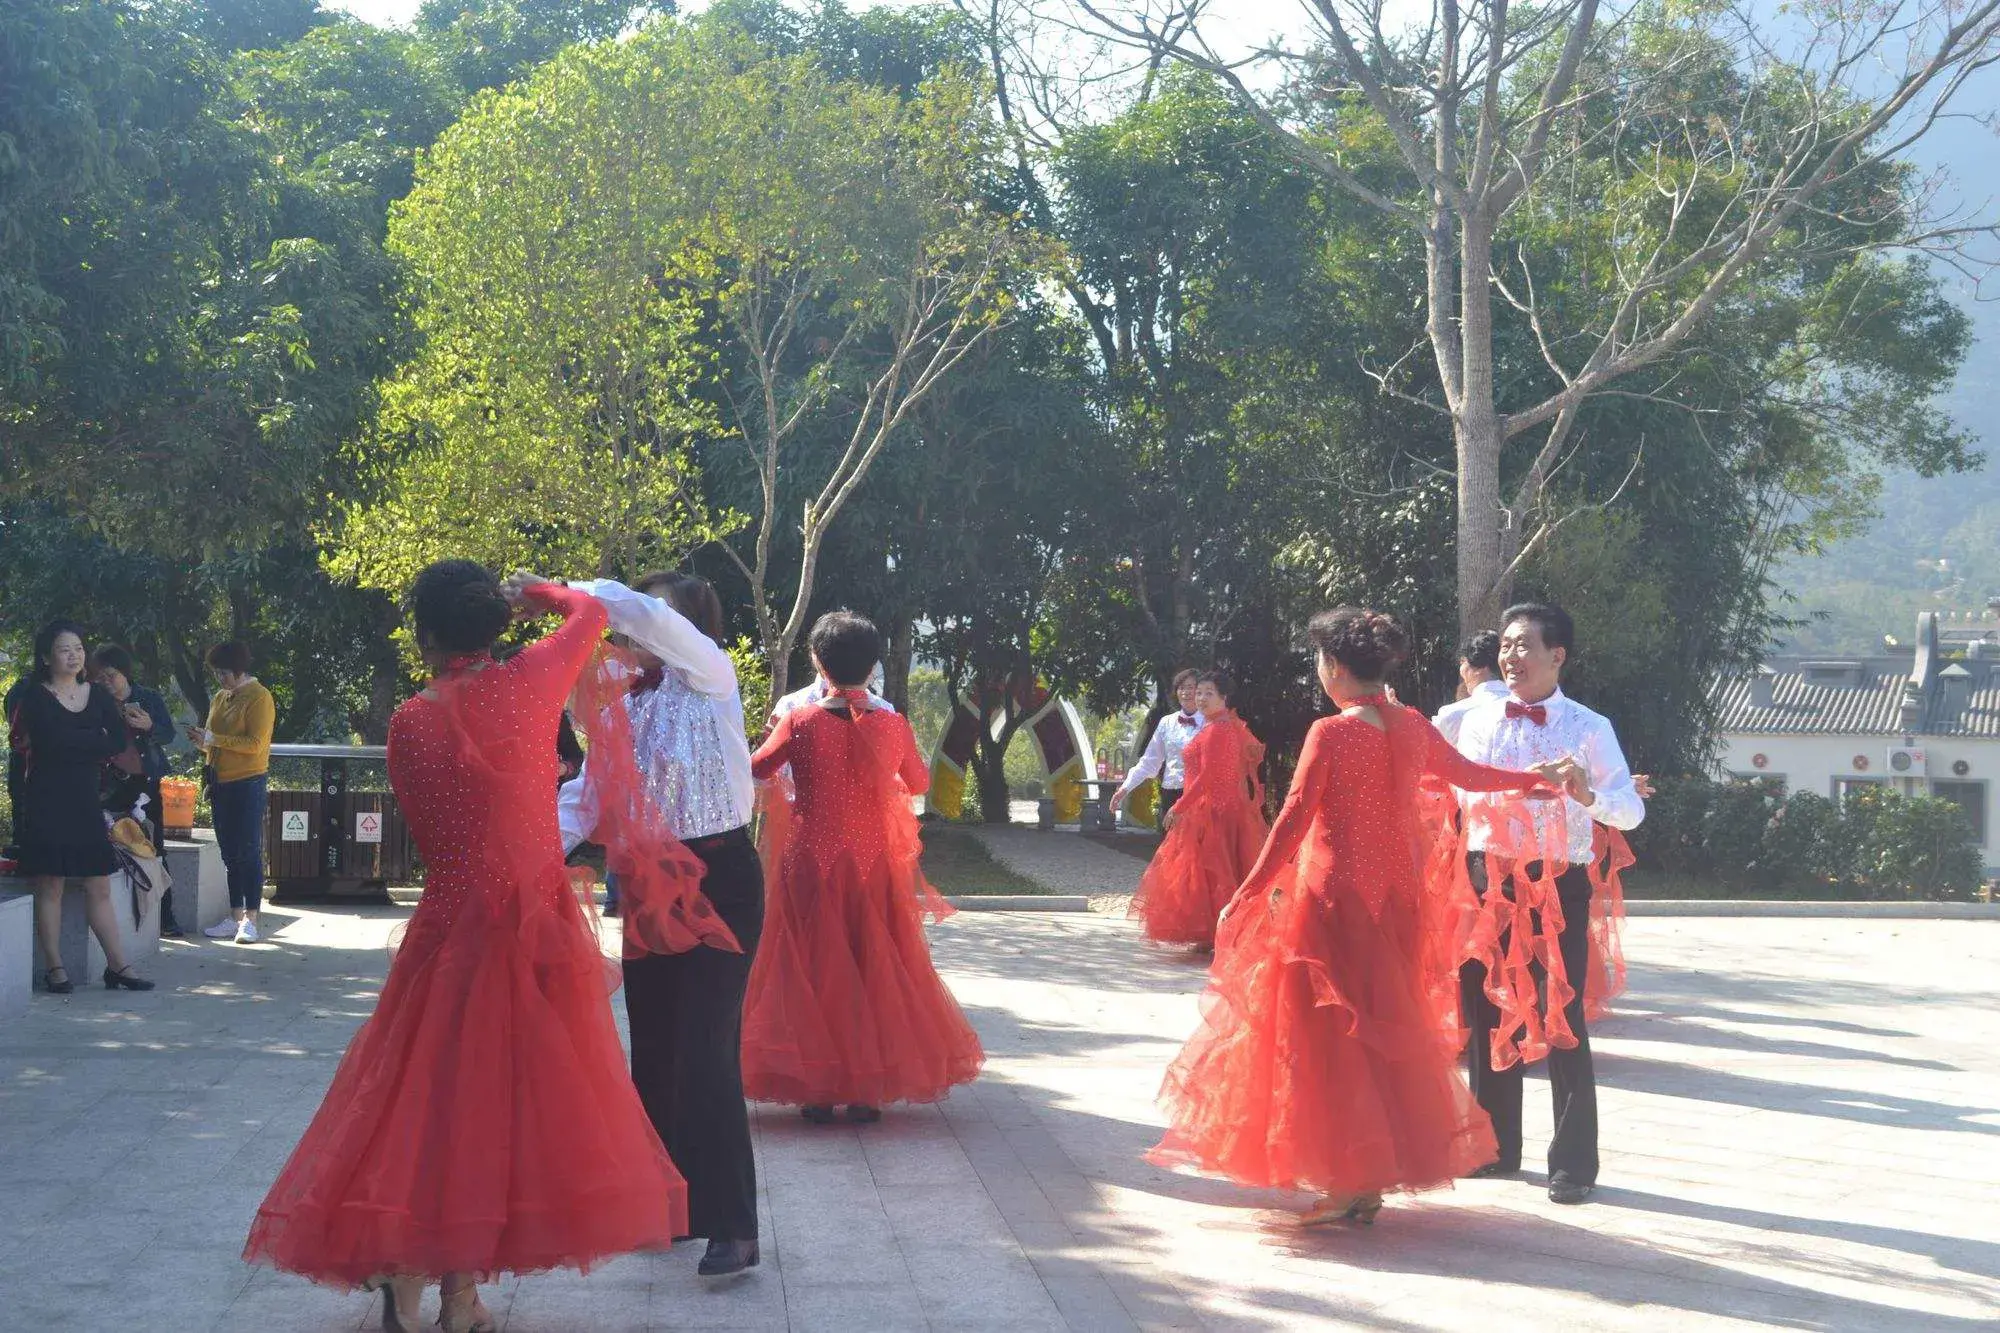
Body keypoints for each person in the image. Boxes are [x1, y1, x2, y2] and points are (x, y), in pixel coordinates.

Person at [244, 562, 688, 1333]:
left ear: (423, 634)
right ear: (495, 625)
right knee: (499, 1112)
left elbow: (430, 831)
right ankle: (457, 1295)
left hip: (448, 930)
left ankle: (416, 1280)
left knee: (430, 1100)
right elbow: (588, 612)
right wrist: (535, 595)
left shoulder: (409, 721)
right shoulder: (531, 683)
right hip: (530, 930)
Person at [1150, 609, 1557, 1222]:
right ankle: (1364, 1181)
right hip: (1395, 907)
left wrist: (1248, 891)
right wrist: (1537, 781)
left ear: (1335, 667)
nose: (1319, 674)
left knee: (1326, 1044)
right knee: (1379, 1041)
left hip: (1334, 904)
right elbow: (1470, 776)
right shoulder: (1412, 724)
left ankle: (1347, 1183)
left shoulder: (1332, 733)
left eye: (1319, 663)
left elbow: (1291, 818)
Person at [554, 571, 765, 1280]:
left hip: (722, 883)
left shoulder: (710, 672)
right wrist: (511, 855)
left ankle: (733, 1225)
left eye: (653, 620)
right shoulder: (616, 712)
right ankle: (671, 1207)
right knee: (658, 1056)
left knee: (708, 1052)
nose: (632, 632)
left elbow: (649, 616)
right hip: (647, 891)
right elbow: (582, 805)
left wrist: (561, 591)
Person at [744, 611, 983, 1123]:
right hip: (873, 861)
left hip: (810, 858)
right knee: (872, 961)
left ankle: (815, 1087)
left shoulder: (799, 719)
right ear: (874, 665)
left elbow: (757, 767)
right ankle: (864, 1089)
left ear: (816, 661)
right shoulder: (893, 723)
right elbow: (918, 783)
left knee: (808, 966)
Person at [1452, 602, 1645, 1206]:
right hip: (1492, 877)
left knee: (1561, 1013)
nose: (1510, 657)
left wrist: (1582, 792)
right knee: (1487, 1008)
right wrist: (1512, 791)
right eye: (1506, 646)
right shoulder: (1479, 721)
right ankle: (1494, 1147)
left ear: (1556, 655)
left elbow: (1629, 811)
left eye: (1523, 646)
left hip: (1559, 880)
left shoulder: (1590, 726)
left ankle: (1573, 1163)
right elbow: (1460, 794)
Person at [7, 621, 156, 993]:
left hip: (87, 799)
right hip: (46, 798)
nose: (74, 655)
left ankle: (118, 966)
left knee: (99, 884)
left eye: (78, 648)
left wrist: (83, 741)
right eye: (63, 649)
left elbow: (116, 741)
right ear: (46, 657)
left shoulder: (99, 695)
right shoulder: (36, 697)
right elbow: (50, 743)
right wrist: (92, 739)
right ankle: (56, 968)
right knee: (51, 884)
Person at [1127, 671, 1266, 950]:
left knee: (1213, 872)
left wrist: (1180, 806)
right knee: (1213, 873)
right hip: (1219, 809)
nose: (1200, 698)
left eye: (1208, 693)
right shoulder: (1225, 725)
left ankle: (1220, 934)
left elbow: (1208, 776)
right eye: (1198, 692)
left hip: (1214, 812)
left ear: (1224, 697)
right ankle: (1216, 935)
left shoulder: (1218, 729)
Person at [91, 646, 182, 936]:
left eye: (112, 676)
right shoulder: (96, 701)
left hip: (145, 782)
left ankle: (165, 917)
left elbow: (168, 734)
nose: (107, 682)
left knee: (154, 848)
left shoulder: (149, 698)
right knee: (110, 844)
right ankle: (120, 919)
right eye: (101, 678)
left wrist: (149, 725)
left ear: (125, 674)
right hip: (109, 784)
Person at [189, 643, 273, 945]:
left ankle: (251, 919)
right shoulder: (220, 697)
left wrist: (214, 739)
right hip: (219, 781)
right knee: (229, 853)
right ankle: (235, 916)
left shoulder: (260, 696)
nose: (220, 679)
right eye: (217, 673)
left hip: (248, 782)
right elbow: (216, 742)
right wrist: (204, 741)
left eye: (224, 673)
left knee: (248, 850)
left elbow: (255, 743)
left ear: (239, 670)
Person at [1111, 670, 1203, 824]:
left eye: (1190, 687)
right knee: (1171, 844)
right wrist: (1125, 788)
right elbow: (1149, 762)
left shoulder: (1211, 722)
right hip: (1171, 793)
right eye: (1181, 688)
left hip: (1199, 795)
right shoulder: (1167, 722)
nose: (1185, 692)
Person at [1432, 631, 1508, 747]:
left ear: (1480, 667)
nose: (1461, 669)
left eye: (1463, 662)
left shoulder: (1452, 715)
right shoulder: (1531, 707)